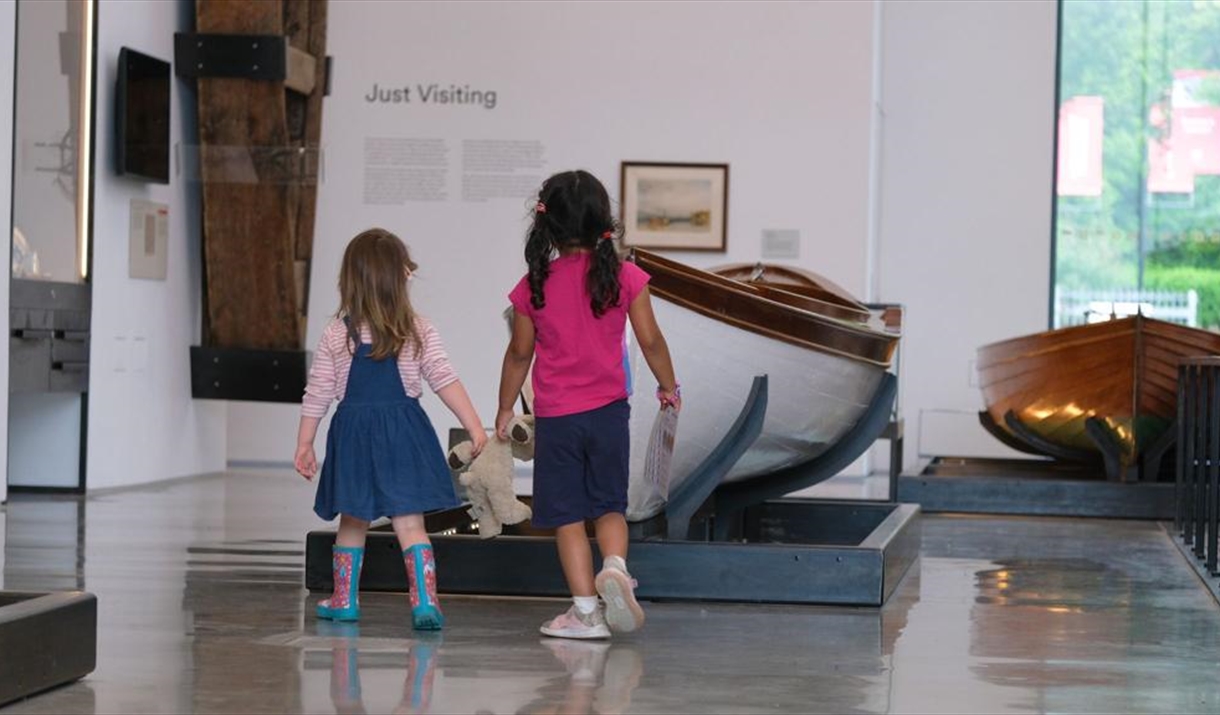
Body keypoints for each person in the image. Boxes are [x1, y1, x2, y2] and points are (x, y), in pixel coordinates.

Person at [497, 170, 681, 640]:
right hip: (609, 413)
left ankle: (584, 614)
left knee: (567, 516)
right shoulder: (625, 277)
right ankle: (616, 567)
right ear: (605, 220)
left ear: (548, 225)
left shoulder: (532, 286)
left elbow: (520, 353)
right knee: (609, 507)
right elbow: (651, 339)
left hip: (559, 418)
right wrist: (669, 385)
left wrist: (503, 408)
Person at [296, 228, 486, 630]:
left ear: (350, 281)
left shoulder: (337, 334)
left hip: (353, 437)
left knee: (353, 519)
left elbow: (318, 392)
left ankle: (344, 600)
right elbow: (444, 378)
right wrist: (473, 426)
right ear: (401, 277)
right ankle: (425, 603)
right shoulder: (417, 329)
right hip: (404, 434)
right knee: (410, 523)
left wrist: (305, 442)